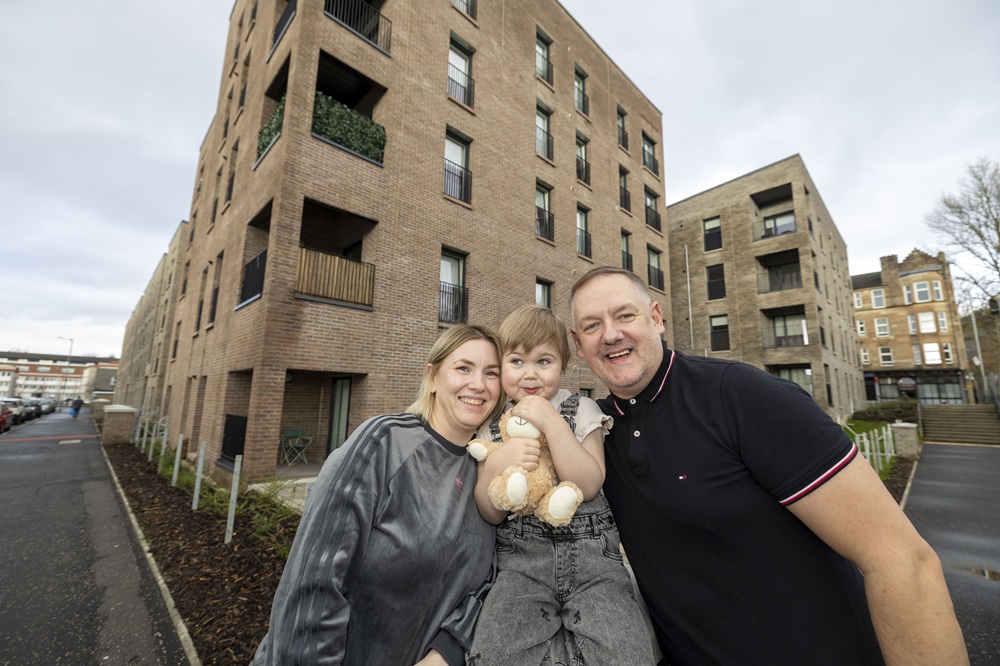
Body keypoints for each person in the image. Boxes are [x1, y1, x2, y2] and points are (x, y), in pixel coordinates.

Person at [568, 266, 968, 666]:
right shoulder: (589, 434)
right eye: (591, 325)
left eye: (625, 315)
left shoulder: (741, 396)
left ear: (656, 317)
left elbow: (902, 561)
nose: (611, 334)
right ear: (579, 343)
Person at [250, 325, 504, 666]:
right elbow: (314, 581)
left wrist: (447, 652)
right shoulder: (383, 442)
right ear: (432, 377)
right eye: (463, 368)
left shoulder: (490, 473)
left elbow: (489, 582)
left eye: (491, 373)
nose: (478, 384)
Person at [468, 305, 655, 665]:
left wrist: (553, 425)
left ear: (563, 366)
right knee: (494, 651)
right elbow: (489, 511)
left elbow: (587, 483)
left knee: (627, 652)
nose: (530, 374)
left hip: (595, 568)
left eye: (544, 361)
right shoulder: (493, 426)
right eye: (517, 361)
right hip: (522, 567)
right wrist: (497, 463)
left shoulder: (580, 408)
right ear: (501, 366)